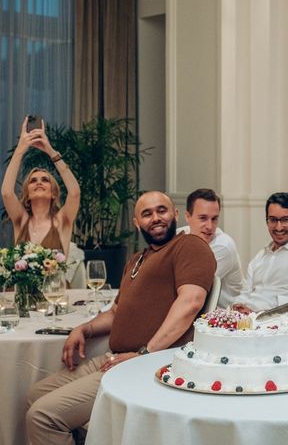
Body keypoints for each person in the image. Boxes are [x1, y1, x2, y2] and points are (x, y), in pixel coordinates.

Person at [25, 191, 216, 445]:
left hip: (150, 363)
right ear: (137, 223)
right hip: (115, 358)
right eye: (147, 214)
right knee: (35, 394)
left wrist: (144, 353)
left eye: (162, 210)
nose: (156, 218)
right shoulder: (138, 259)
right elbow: (115, 312)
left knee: (42, 416)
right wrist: (84, 329)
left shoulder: (189, 246)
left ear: (176, 215)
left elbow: (190, 303)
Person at [1, 116, 80, 257]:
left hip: (58, 280)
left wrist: (50, 151)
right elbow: (7, 193)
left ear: (53, 193)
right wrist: (20, 149)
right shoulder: (21, 220)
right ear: (27, 194)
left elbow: (74, 193)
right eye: (33, 181)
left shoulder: (63, 220)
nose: (39, 182)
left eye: (45, 180)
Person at [177, 188, 245, 308]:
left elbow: (190, 287)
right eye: (203, 218)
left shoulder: (223, 246)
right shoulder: (179, 235)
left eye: (214, 219)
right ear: (188, 217)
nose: (210, 226)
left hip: (225, 317)